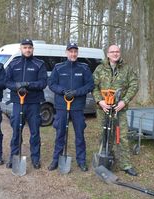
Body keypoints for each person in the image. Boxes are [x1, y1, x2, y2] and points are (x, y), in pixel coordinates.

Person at [92, 45, 139, 176]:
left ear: (120, 53)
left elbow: (134, 85)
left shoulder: (127, 69)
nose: (115, 54)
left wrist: (124, 101)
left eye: (117, 51)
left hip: (120, 109)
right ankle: (106, 159)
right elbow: (93, 86)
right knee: (105, 135)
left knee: (121, 136)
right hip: (104, 109)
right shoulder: (100, 69)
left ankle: (126, 164)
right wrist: (99, 101)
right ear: (108, 54)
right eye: (112, 52)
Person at [47, 43, 94, 172]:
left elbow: (90, 85)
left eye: (75, 52)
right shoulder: (59, 68)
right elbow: (51, 83)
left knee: (80, 134)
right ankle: (56, 160)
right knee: (60, 133)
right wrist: (62, 91)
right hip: (62, 106)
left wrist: (76, 92)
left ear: (77, 53)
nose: (73, 54)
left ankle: (81, 161)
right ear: (66, 53)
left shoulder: (84, 68)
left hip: (78, 107)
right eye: (70, 51)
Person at [5, 39, 47, 169]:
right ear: (20, 48)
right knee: (16, 131)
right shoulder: (13, 64)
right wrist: (17, 86)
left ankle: (35, 158)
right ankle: (14, 157)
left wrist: (27, 85)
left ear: (33, 49)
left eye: (30, 47)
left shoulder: (39, 64)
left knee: (35, 132)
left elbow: (43, 82)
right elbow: (7, 82)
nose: (27, 50)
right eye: (25, 47)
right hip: (18, 103)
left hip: (34, 103)